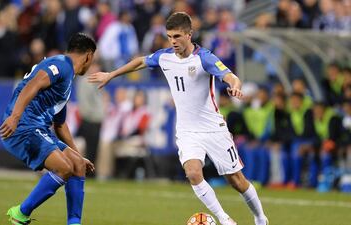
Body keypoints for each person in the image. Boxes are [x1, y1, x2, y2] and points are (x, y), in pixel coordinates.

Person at [88, 12, 268, 225]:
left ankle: (260, 218)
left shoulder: (204, 58)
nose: (173, 41)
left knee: (236, 180)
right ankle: (225, 220)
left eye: (177, 36)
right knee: (193, 173)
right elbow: (139, 62)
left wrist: (235, 87)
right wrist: (111, 74)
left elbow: (230, 76)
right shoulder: (165, 57)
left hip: (213, 128)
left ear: (189, 35)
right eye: (170, 36)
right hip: (187, 131)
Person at [0, 32, 96, 225]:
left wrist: (79, 155)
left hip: (37, 128)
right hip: (23, 127)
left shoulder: (66, 80)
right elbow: (33, 84)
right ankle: (20, 213)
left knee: (76, 165)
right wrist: (15, 117)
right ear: (88, 56)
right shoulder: (61, 64)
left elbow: (60, 125)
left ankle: (74, 223)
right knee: (63, 168)